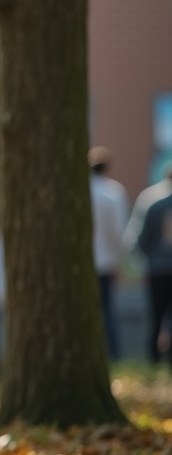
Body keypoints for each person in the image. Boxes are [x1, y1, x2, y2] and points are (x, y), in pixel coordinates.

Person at [88, 146, 129, 361]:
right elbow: (119, 232)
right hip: (106, 262)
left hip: (83, 263)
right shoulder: (114, 192)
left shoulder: (81, 191)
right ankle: (113, 355)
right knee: (107, 310)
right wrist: (120, 259)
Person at [138, 186, 172, 365]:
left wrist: (153, 257)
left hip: (158, 270)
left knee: (156, 316)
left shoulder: (155, 207)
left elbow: (143, 241)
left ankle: (154, 360)